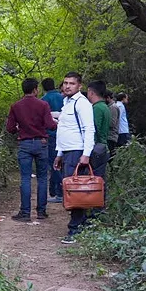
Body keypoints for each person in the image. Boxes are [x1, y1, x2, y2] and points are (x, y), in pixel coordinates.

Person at [5, 77, 57, 222]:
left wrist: (19, 129)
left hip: (25, 144)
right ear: (35, 90)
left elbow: (10, 128)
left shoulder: (16, 106)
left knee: (25, 178)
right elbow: (50, 124)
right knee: (42, 178)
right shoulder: (43, 105)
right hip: (41, 143)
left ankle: (25, 212)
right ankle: (41, 211)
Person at [52, 72, 94, 244]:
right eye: (65, 83)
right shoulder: (67, 102)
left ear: (79, 86)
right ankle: (82, 223)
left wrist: (86, 154)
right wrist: (59, 154)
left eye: (71, 83)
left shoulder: (82, 104)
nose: (67, 86)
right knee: (72, 189)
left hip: (77, 152)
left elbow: (89, 129)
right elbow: (65, 130)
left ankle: (75, 229)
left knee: (75, 191)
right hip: (68, 152)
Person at [86, 81, 112, 219]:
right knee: (100, 179)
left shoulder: (96, 109)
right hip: (104, 147)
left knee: (95, 180)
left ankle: (96, 211)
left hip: (97, 149)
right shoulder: (105, 107)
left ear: (91, 92)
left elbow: (93, 129)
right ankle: (99, 208)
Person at [40, 78, 65, 202]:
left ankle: (60, 193)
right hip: (64, 134)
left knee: (54, 163)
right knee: (63, 163)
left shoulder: (44, 100)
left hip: (50, 135)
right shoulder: (63, 98)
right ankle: (56, 190)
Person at [107, 91, 121, 157]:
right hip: (109, 136)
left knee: (111, 157)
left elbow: (112, 123)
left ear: (108, 98)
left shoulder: (113, 107)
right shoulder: (109, 107)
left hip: (111, 136)